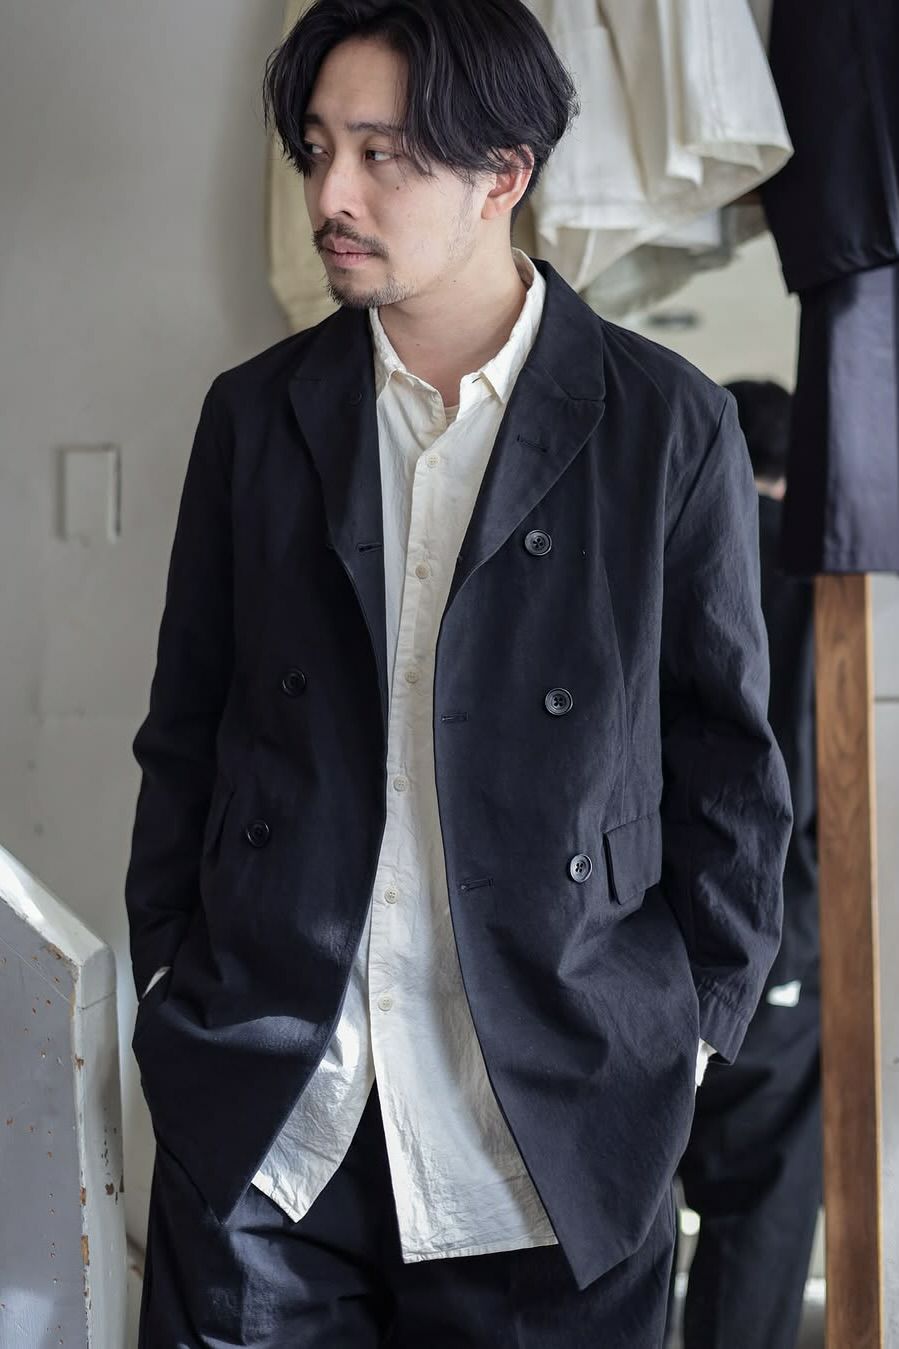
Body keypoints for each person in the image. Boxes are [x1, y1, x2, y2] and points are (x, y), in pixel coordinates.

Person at [125, 3, 792, 1344]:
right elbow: (187, 733)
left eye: (381, 154)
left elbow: (726, 764)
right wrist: (170, 991)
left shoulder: (664, 425)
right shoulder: (254, 416)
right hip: (275, 1114)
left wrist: (680, 1038)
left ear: (503, 174)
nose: (331, 194)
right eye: (317, 147)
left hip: (553, 1126)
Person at [670, 380, 821, 1349]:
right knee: (757, 1215)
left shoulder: (655, 556)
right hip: (776, 942)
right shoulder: (815, 584)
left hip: (630, 940)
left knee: (612, 1213)